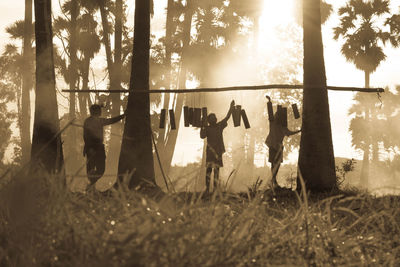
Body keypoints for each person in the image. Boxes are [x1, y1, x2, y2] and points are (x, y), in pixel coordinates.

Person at [83, 104, 125, 188]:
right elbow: (86, 136)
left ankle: (90, 186)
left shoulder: (95, 121)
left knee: (99, 170)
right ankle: (90, 187)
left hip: (97, 148)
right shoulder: (90, 121)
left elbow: (111, 120)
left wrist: (123, 116)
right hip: (93, 148)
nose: (101, 112)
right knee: (92, 169)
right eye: (99, 110)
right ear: (95, 111)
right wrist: (88, 147)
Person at [265, 96, 301, 189]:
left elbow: (290, 133)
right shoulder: (272, 123)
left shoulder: (283, 128)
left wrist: (300, 130)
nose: (275, 116)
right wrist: (269, 102)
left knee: (277, 164)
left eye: (277, 115)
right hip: (273, 146)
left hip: (279, 147)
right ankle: (273, 181)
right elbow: (270, 114)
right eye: (276, 114)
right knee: (273, 164)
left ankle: (273, 180)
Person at [200, 100, 235, 193]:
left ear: (215, 119)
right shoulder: (207, 128)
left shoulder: (219, 126)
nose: (213, 119)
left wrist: (231, 108)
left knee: (216, 171)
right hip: (210, 152)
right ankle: (207, 189)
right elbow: (202, 136)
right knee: (208, 171)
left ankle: (215, 189)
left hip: (218, 152)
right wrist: (202, 126)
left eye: (214, 117)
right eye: (211, 118)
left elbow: (227, 117)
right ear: (208, 121)